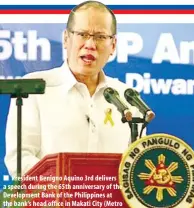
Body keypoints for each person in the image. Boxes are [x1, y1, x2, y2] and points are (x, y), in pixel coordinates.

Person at [5, 1, 146, 178]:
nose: (90, 44)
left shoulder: (127, 98)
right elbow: (19, 159)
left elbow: (135, 167)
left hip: (111, 204)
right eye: (82, 34)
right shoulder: (33, 88)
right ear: (66, 38)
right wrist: (73, 187)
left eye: (100, 37)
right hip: (52, 203)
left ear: (113, 45)